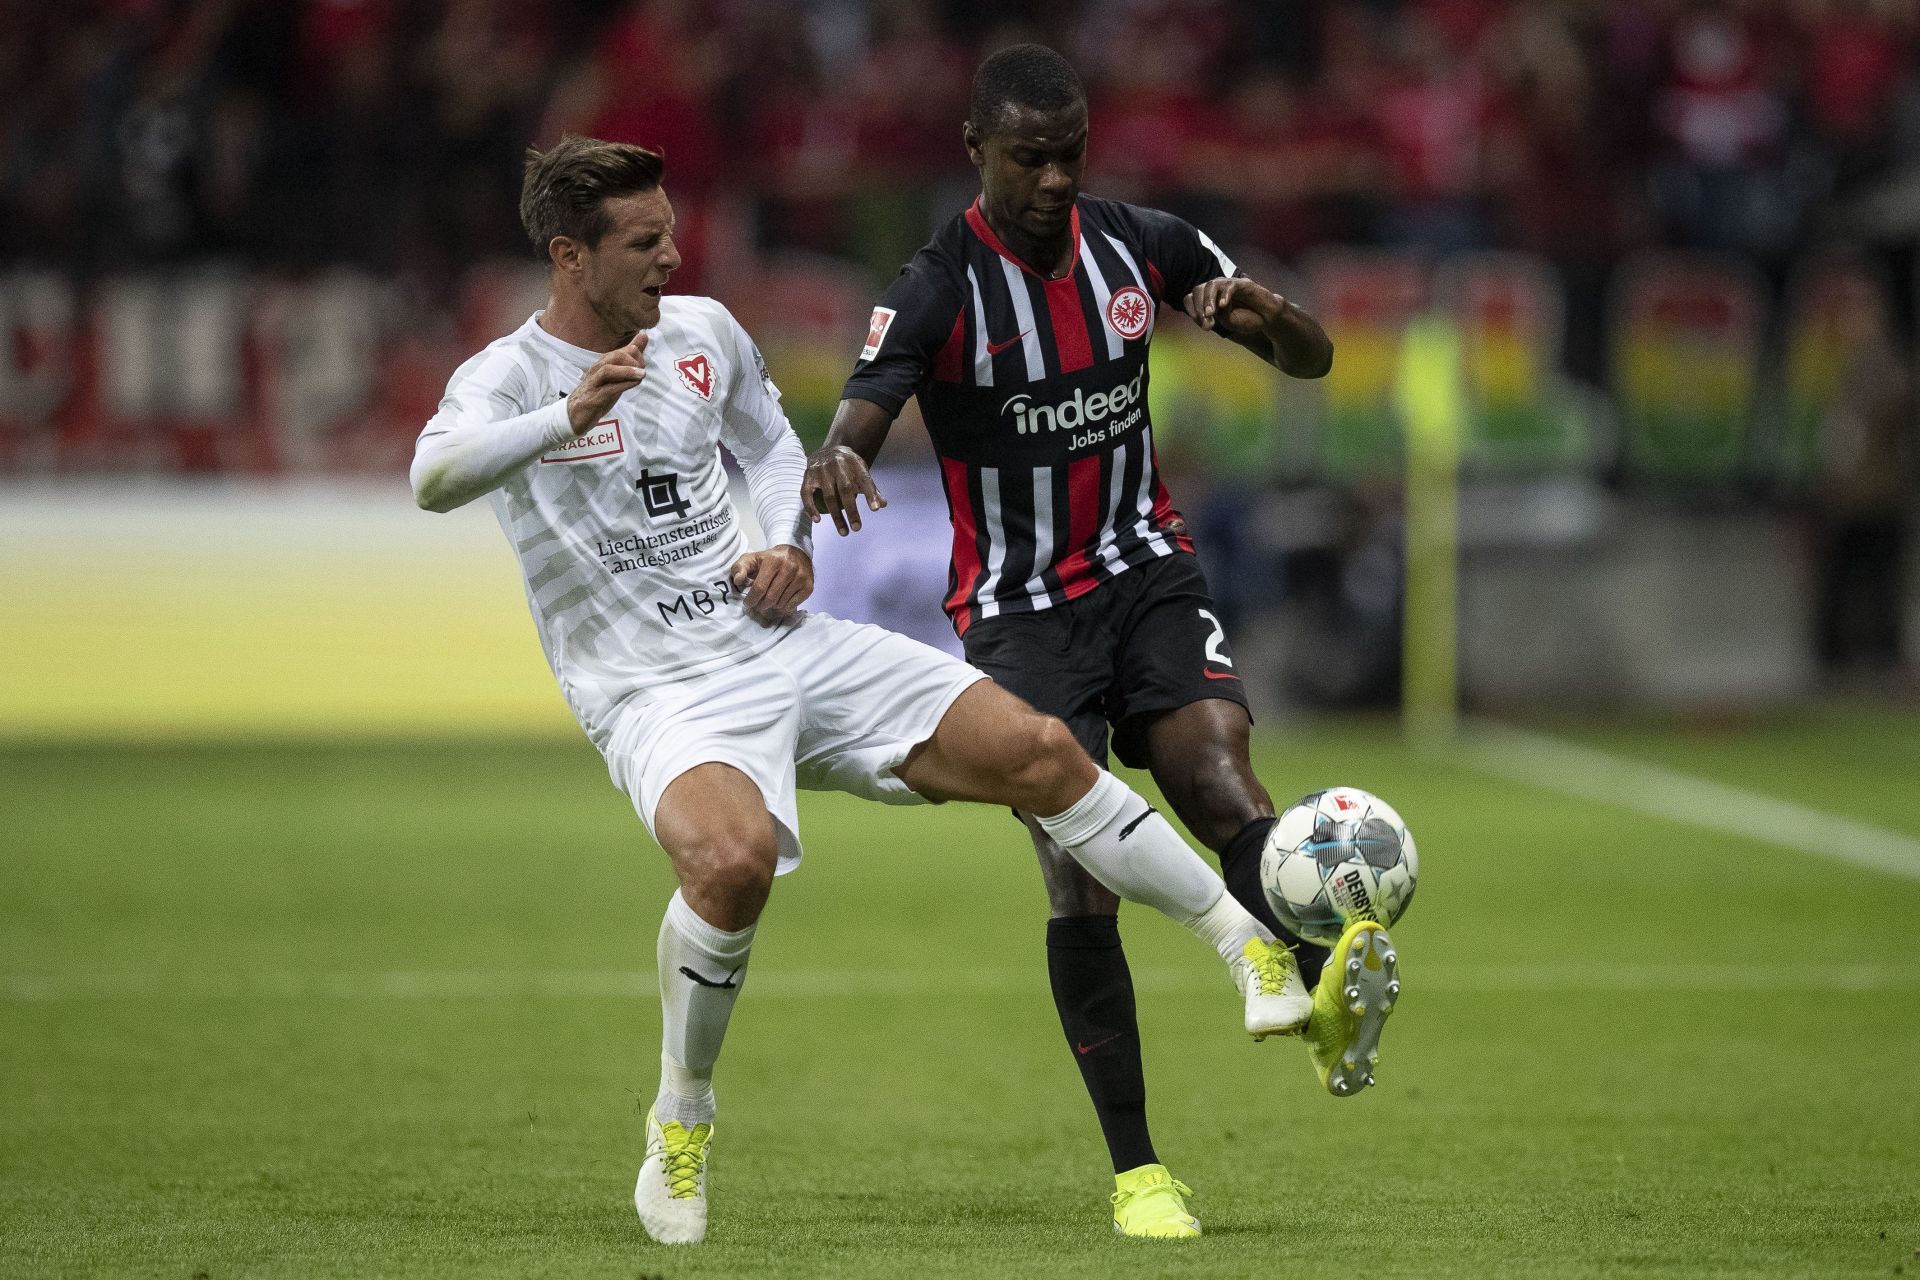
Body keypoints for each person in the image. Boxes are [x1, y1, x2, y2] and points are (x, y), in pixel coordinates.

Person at [410, 135, 1307, 1247]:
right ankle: (682, 1117)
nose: (671, 257)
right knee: (730, 863)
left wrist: (785, 541)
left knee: (1039, 753)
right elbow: (431, 478)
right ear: (569, 256)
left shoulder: (704, 335)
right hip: (653, 689)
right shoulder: (507, 377)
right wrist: (566, 418)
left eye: (672, 232)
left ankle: (1249, 945)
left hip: (777, 639)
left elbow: (775, 453)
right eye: (644, 243)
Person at [803, 44, 1402, 1239]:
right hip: (1019, 614)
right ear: (977, 151)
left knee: (1222, 781)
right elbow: (866, 404)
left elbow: (1313, 357)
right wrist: (842, 451)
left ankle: (1306, 976)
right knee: (1081, 874)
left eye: (1072, 153)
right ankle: (1140, 1171)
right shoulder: (937, 284)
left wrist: (1269, 317)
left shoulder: (1144, 243)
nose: (1057, 179)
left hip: (1146, 573)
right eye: (1030, 158)